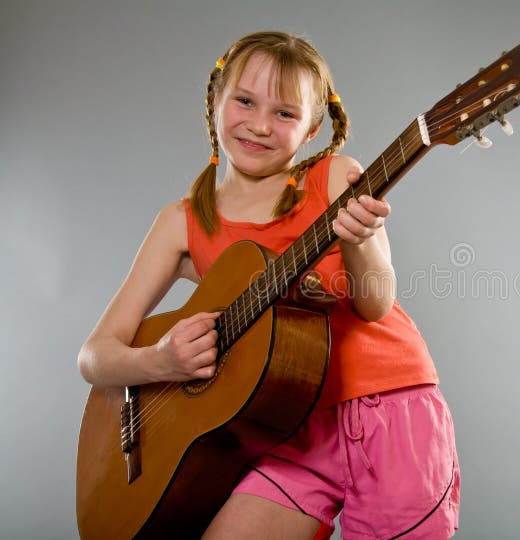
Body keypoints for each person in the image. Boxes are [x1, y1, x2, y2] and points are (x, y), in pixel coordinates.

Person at [77, 31, 459, 539]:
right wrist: (160, 360)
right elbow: (95, 356)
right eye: (244, 101)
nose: (259, 125)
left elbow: (375, 304)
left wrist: (361, 240)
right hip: (284, 431)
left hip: (392, 408)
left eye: (284, 113)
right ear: (215, 101)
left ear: (312, 129)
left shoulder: (336, 178)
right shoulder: (181, 223)